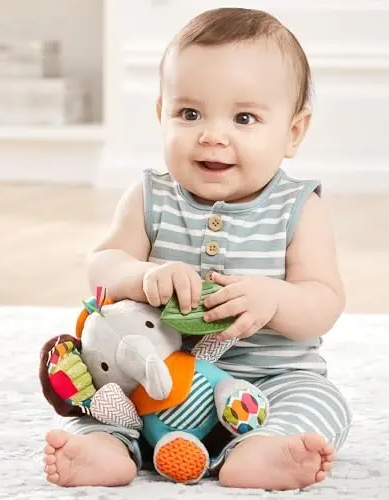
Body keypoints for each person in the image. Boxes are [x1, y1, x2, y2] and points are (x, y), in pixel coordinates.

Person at [43, 7, 352, 490]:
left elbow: (324, 301)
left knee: (319, 401)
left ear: (292, 133)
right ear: (160, 115)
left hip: (265, 384)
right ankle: (105, 449)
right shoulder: (150, 197)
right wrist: (142, 276)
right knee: (96, 402)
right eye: (189, 114)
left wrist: (274, 299)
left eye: (244, 118)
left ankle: (260, 449)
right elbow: (102, 265)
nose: (212, 135)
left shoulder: (298, 208)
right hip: (155, 384)